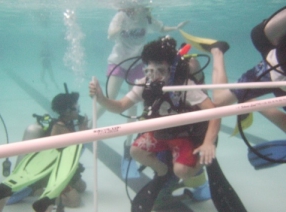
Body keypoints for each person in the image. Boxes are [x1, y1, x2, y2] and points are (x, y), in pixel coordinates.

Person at [89, 36, 220, 209]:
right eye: (149, 71)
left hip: (184, 136)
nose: (154, 77)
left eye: (160, 71)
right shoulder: (145, 84)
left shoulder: (183, 86)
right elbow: (120, 106)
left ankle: (195, 167)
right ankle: (163, 172)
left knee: (181, 171)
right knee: (136, 150)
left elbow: (215, 113)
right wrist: (101, 97)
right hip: (160, 133)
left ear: (172, 69)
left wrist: (208, 143)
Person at [96, 1, 189, 152]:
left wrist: (176, 28)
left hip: (137, 62)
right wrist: (120, 28)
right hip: (119, 61)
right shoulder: (121, 15)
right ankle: (86, 126)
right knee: (110, 97)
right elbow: (111, 35)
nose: (146, 7)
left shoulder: (147, 17)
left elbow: (161, 29)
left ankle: (128, 143)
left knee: (133, 103)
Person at [0, 92, 87, 212]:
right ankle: (46, 197)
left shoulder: (71, 124)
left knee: (82, 187)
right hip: (52, 170)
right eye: (77, 109)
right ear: (67, 111)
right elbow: (56, 154)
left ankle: (45, 195)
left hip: (65, 166)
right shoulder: (58, 128)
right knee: (75, 201)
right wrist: (83, 133)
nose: (79, 111)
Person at [210, 6, 286, 133]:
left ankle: (251, 100)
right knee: (219, 100)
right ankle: (217, 51)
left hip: (276, 60)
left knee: (220, 100)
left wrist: (253, 103)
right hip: (273, 53)